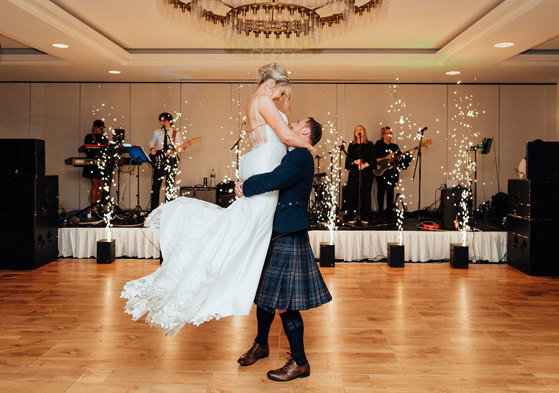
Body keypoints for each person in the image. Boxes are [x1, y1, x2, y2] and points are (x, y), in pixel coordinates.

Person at [121, 63, 316, 335]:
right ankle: (226, 279)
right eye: (281, 93)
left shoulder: (252, 100)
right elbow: (284, 136)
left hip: (260, 167)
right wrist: (311, 149)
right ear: (274, 84)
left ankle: (233, 280)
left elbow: (281, 139)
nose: (280, 100)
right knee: (244, 233)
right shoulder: (263, 100)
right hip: (264, 173)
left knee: (241, 231)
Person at [235, 117, 331, 382]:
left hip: (288, 231)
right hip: (275, 230)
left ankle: (300, 362)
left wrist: (246, 186)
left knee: (284, 303)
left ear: (305, 131)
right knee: (265, 295)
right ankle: (261, 344)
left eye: (297, 122)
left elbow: (276, 179)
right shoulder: (290, 152)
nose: (292, 123)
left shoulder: (301, 154)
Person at [149, 112, 184, 211]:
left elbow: (180, 146)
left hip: (171, 159)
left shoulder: (175, 133)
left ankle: (169, 210)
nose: (162, 122)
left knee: (170, 186)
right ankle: (154, 210)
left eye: (164, 120)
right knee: (156, 185)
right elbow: (152, 142)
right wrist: (152, 148)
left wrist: (182, 147)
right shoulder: (157, 132)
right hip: (159, 158)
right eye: (161, 120)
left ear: (169, 121)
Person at [344, 125, 375, 221]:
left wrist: (365, 165)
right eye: (356, 130)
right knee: (352, 192)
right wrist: (354, 162)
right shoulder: (352, 145)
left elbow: (373, 158)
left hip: (366, 172)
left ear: (364, 132)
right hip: (354, 171)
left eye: (360, 129)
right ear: (354, 133)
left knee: (366, 192)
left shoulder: (369, 144)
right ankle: (351, 214)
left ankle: (366, 214)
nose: (358, 131)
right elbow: (348, 159)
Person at [374, 126, 401, 218]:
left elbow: (400, 158)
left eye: (391, 133)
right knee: (381, 191)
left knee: (390, 192)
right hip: (381, 172)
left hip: (391, 173)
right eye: (388, 133)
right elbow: (373, 157)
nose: (390, 135)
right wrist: (376, 164)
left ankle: (389, 211)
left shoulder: (394, 147)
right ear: (382, 135)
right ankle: (380, 211)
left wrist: (409, 154)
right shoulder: (378, 144)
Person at [82, 119, 108, 204]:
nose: (101, 130)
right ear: (95, 128)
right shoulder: (89, 137)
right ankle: (93, 206)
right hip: (92, 163)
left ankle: (98, 206)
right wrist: (94, 155)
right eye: (100, 128)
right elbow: (87, 149)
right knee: (95, 184)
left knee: (101, 185)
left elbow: (106, 150)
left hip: (101, 163)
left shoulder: (104, 138)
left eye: (102, 128)